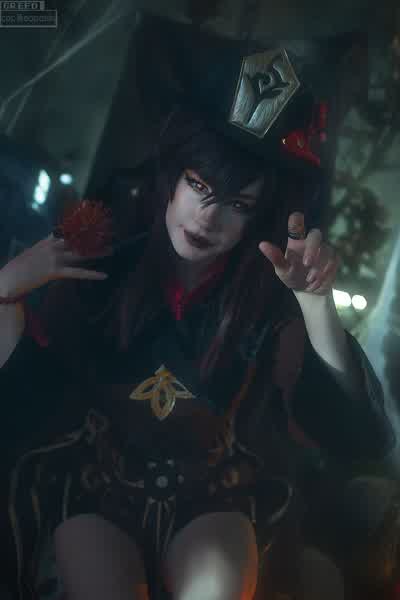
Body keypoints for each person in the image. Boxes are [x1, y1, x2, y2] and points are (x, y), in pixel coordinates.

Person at [0, 15, 395, 600]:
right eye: (200, 186)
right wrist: (5, 289)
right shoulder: (99, 275)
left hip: (217, 499)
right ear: (173, 180)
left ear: (257, 217)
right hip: (96, 493)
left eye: (237, 203)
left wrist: (315, 306)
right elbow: (21, 405)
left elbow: (356, 437)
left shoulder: (265, 305)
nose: (208, 218)